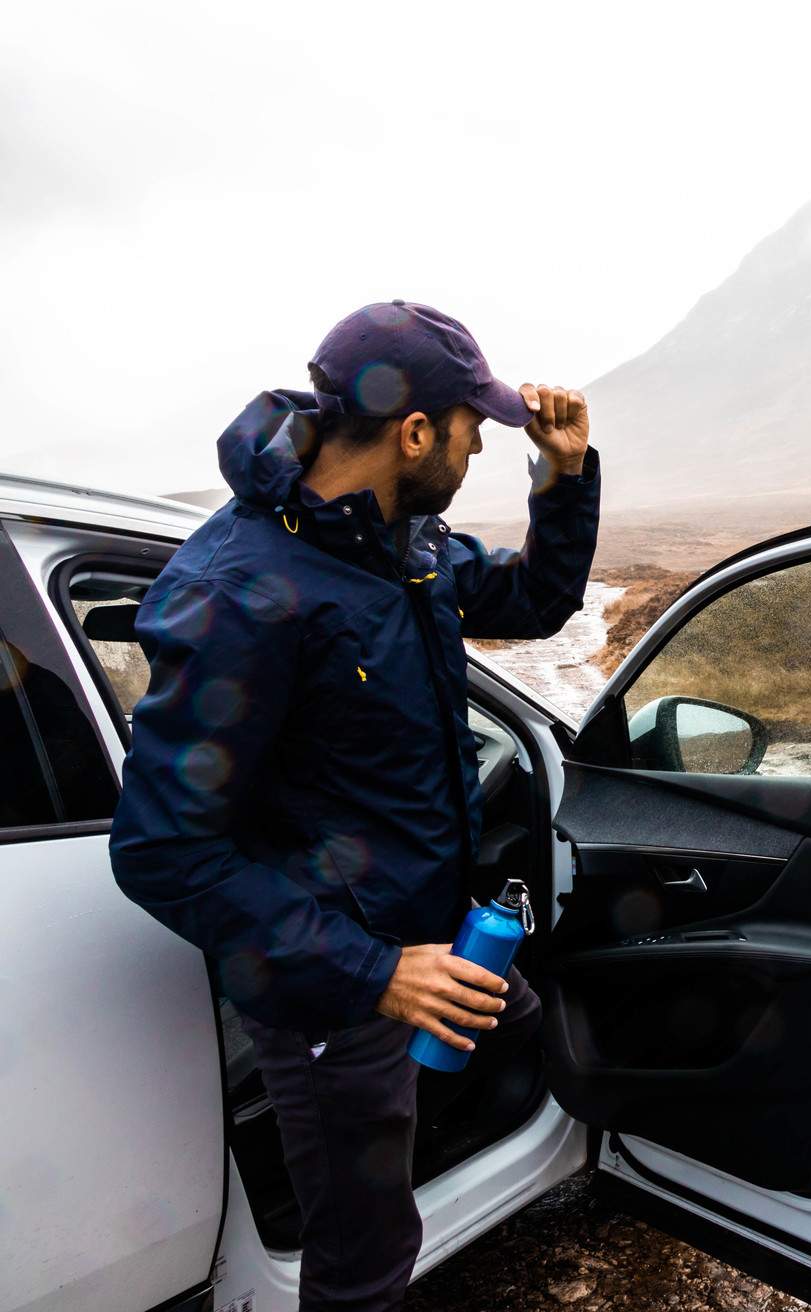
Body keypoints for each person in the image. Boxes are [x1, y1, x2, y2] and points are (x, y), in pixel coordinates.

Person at [109, 300, 601, 1310]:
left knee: (530, 1024)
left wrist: (562, 473)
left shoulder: (400, 547)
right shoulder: (239, 593)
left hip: (427, 936)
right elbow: (162, 850)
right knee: (364, 1262)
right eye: (473, 429)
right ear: (414, 431)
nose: (474, 448)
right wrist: (374, 974)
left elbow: (534, 601)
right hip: (336, 990)